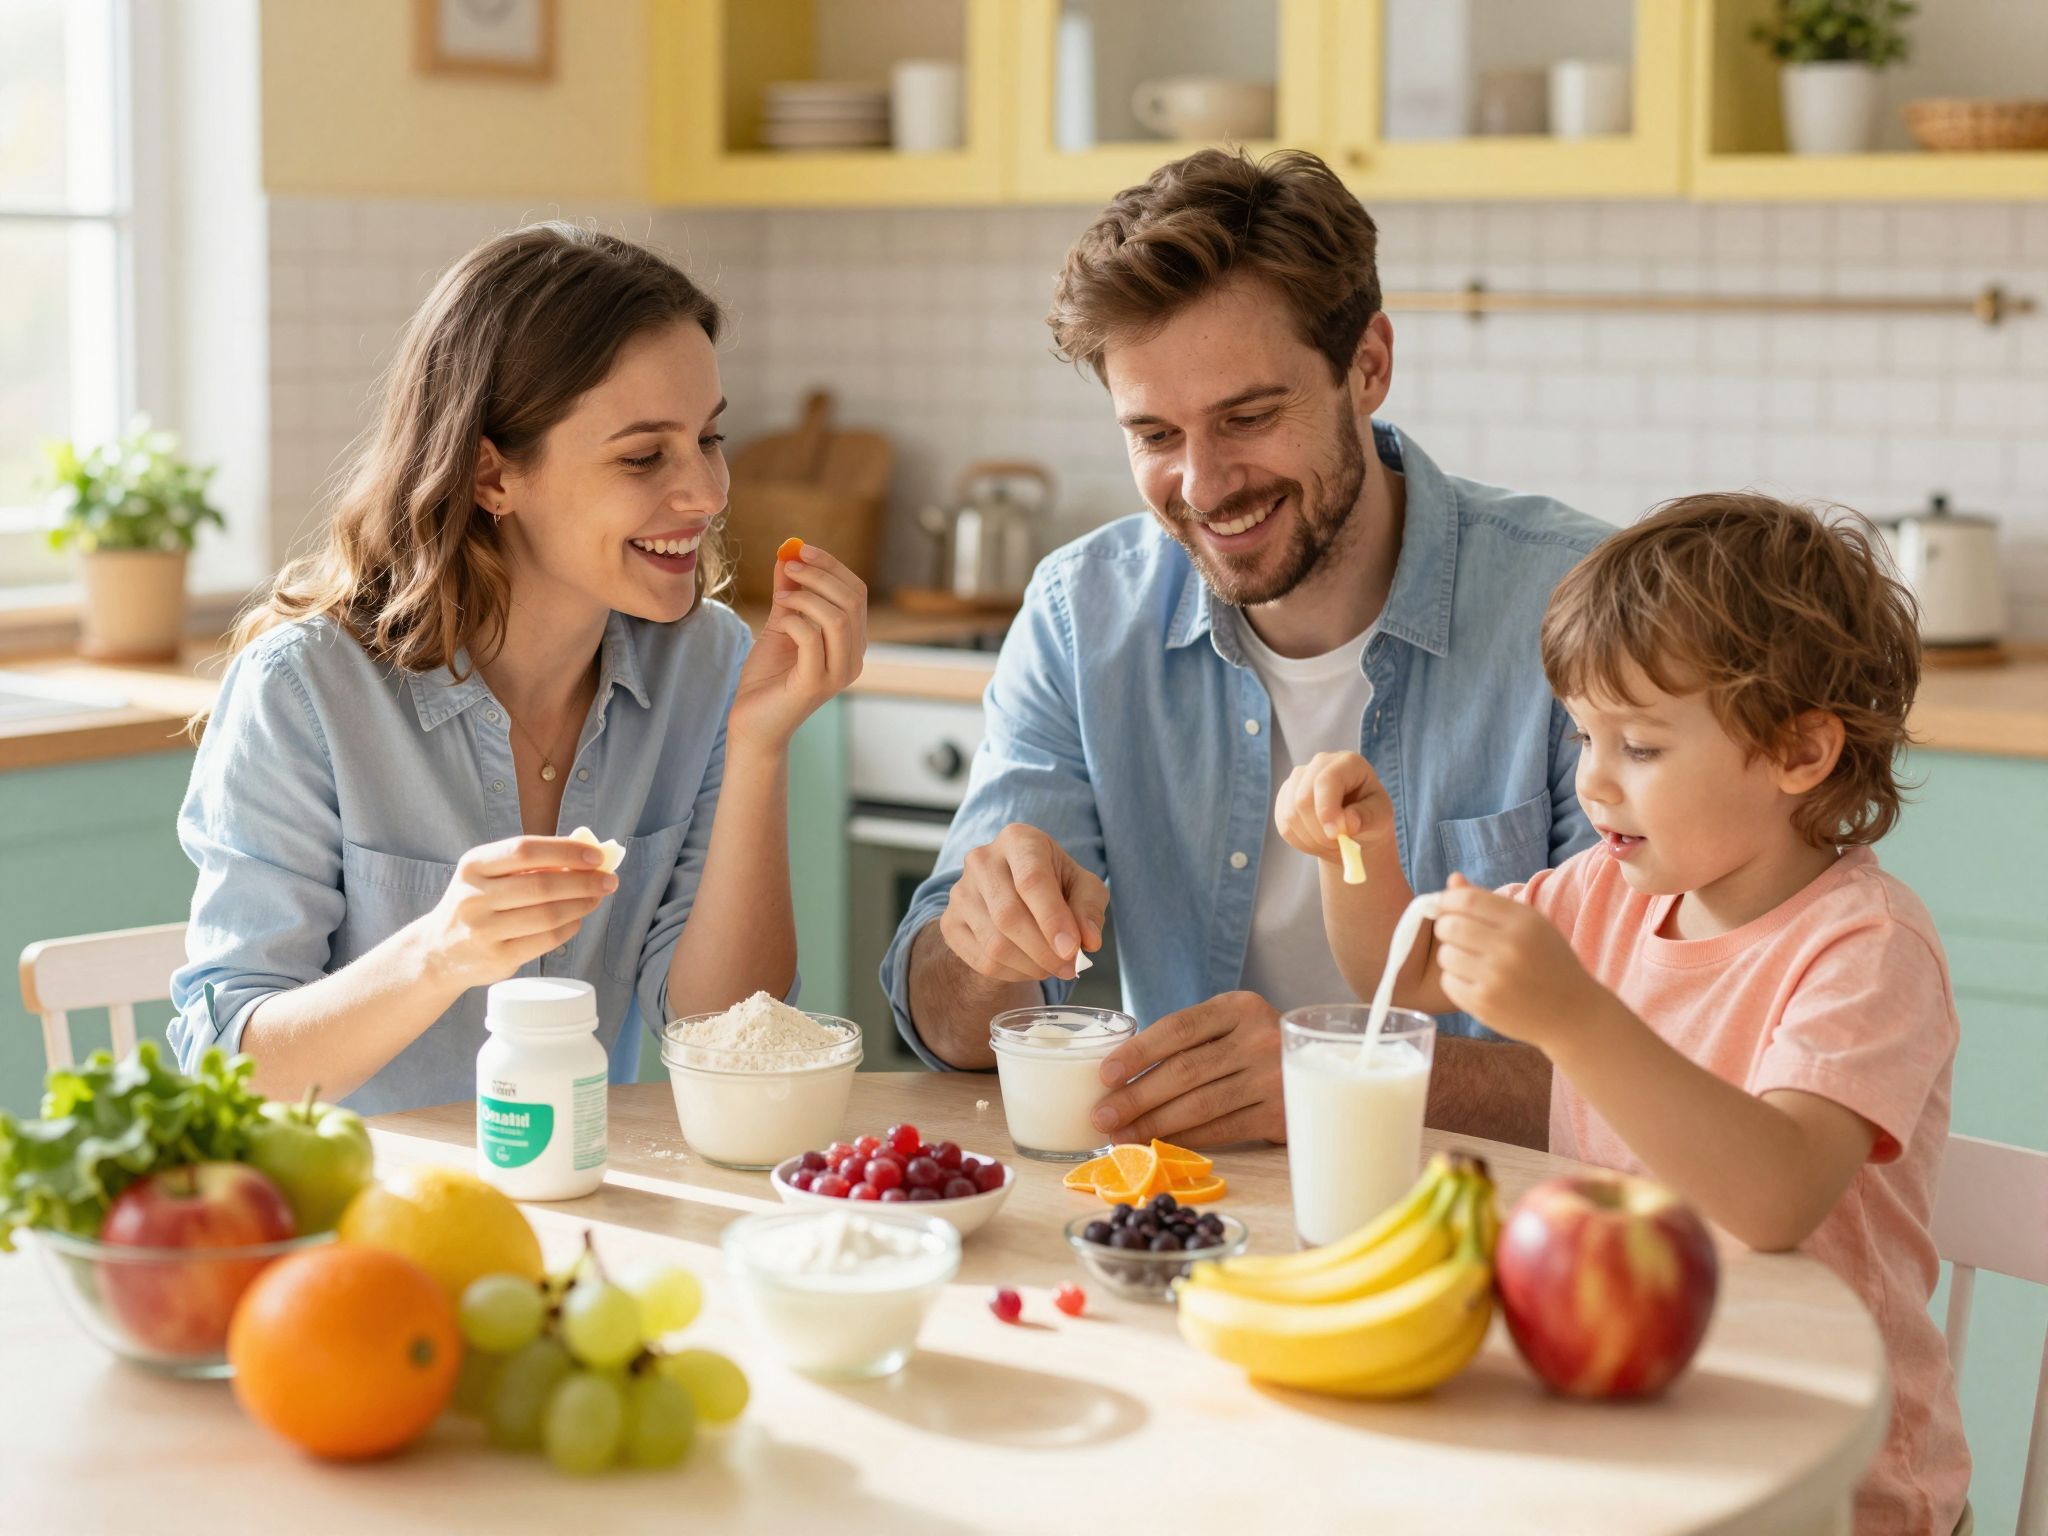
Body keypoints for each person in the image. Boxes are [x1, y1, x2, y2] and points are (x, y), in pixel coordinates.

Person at [881, 147, 1609, 1149]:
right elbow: (946, 1029)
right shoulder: (1080, 616)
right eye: (1154, 436)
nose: (1203, 484)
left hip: (1487, 1218)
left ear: (1368, 366)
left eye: (1249, 417)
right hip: (1187, 1212)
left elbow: (1669, 1070)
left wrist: (1332, 1076)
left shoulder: (1581, 613)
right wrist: (982, 946)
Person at [1278, 493, 1966, 1535]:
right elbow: (1398, 971)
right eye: (1581, 735)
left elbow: (1775, 1197)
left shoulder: (1865, 948)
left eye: (1639, 747)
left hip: (1826, 1480)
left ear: (1800, 752)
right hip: (1641, 1428)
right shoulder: (1606, 890)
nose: (1592, 782)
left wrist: (1575, 1019)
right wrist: (1355, 853)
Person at [169, 224, 867, 1115]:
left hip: (583, 1188)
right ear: (490, 475)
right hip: (357, 1193)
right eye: (644, 455)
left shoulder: (708, 664)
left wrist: (761, 746)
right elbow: (227, 1073)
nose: (707, 492)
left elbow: (724, 1030)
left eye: (710, 437)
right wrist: (437, 954)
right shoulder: (306, 691)